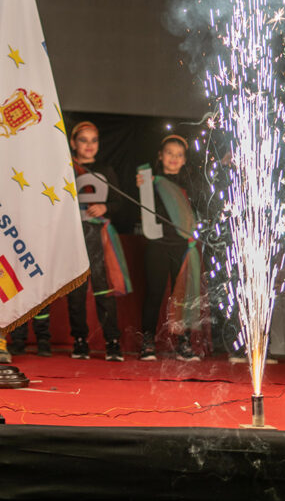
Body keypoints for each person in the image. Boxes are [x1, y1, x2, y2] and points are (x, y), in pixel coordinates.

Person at [66, 121, 131, 360]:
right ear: (73, 143)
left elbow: (118, 202)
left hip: (99, 237)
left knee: (104, 288)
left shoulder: (105, 170)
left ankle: (112, 341)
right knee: (76, 291)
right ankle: (79, 340)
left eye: (94, 140)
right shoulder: (67, 168)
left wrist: (105, 207)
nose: (89, 145)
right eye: (83, 140)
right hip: (74, 236)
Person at [136, 134, 201, 361]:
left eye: (179, 155)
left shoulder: (190, 185)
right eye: (169, 153)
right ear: (160, 156)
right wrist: (141, 186)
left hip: (182, 247)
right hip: (158, 245)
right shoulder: (151, 182)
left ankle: (184, 343)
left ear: (184, 160)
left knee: (183, 296)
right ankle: (147, 343)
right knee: (154, 293)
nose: (174, 158)